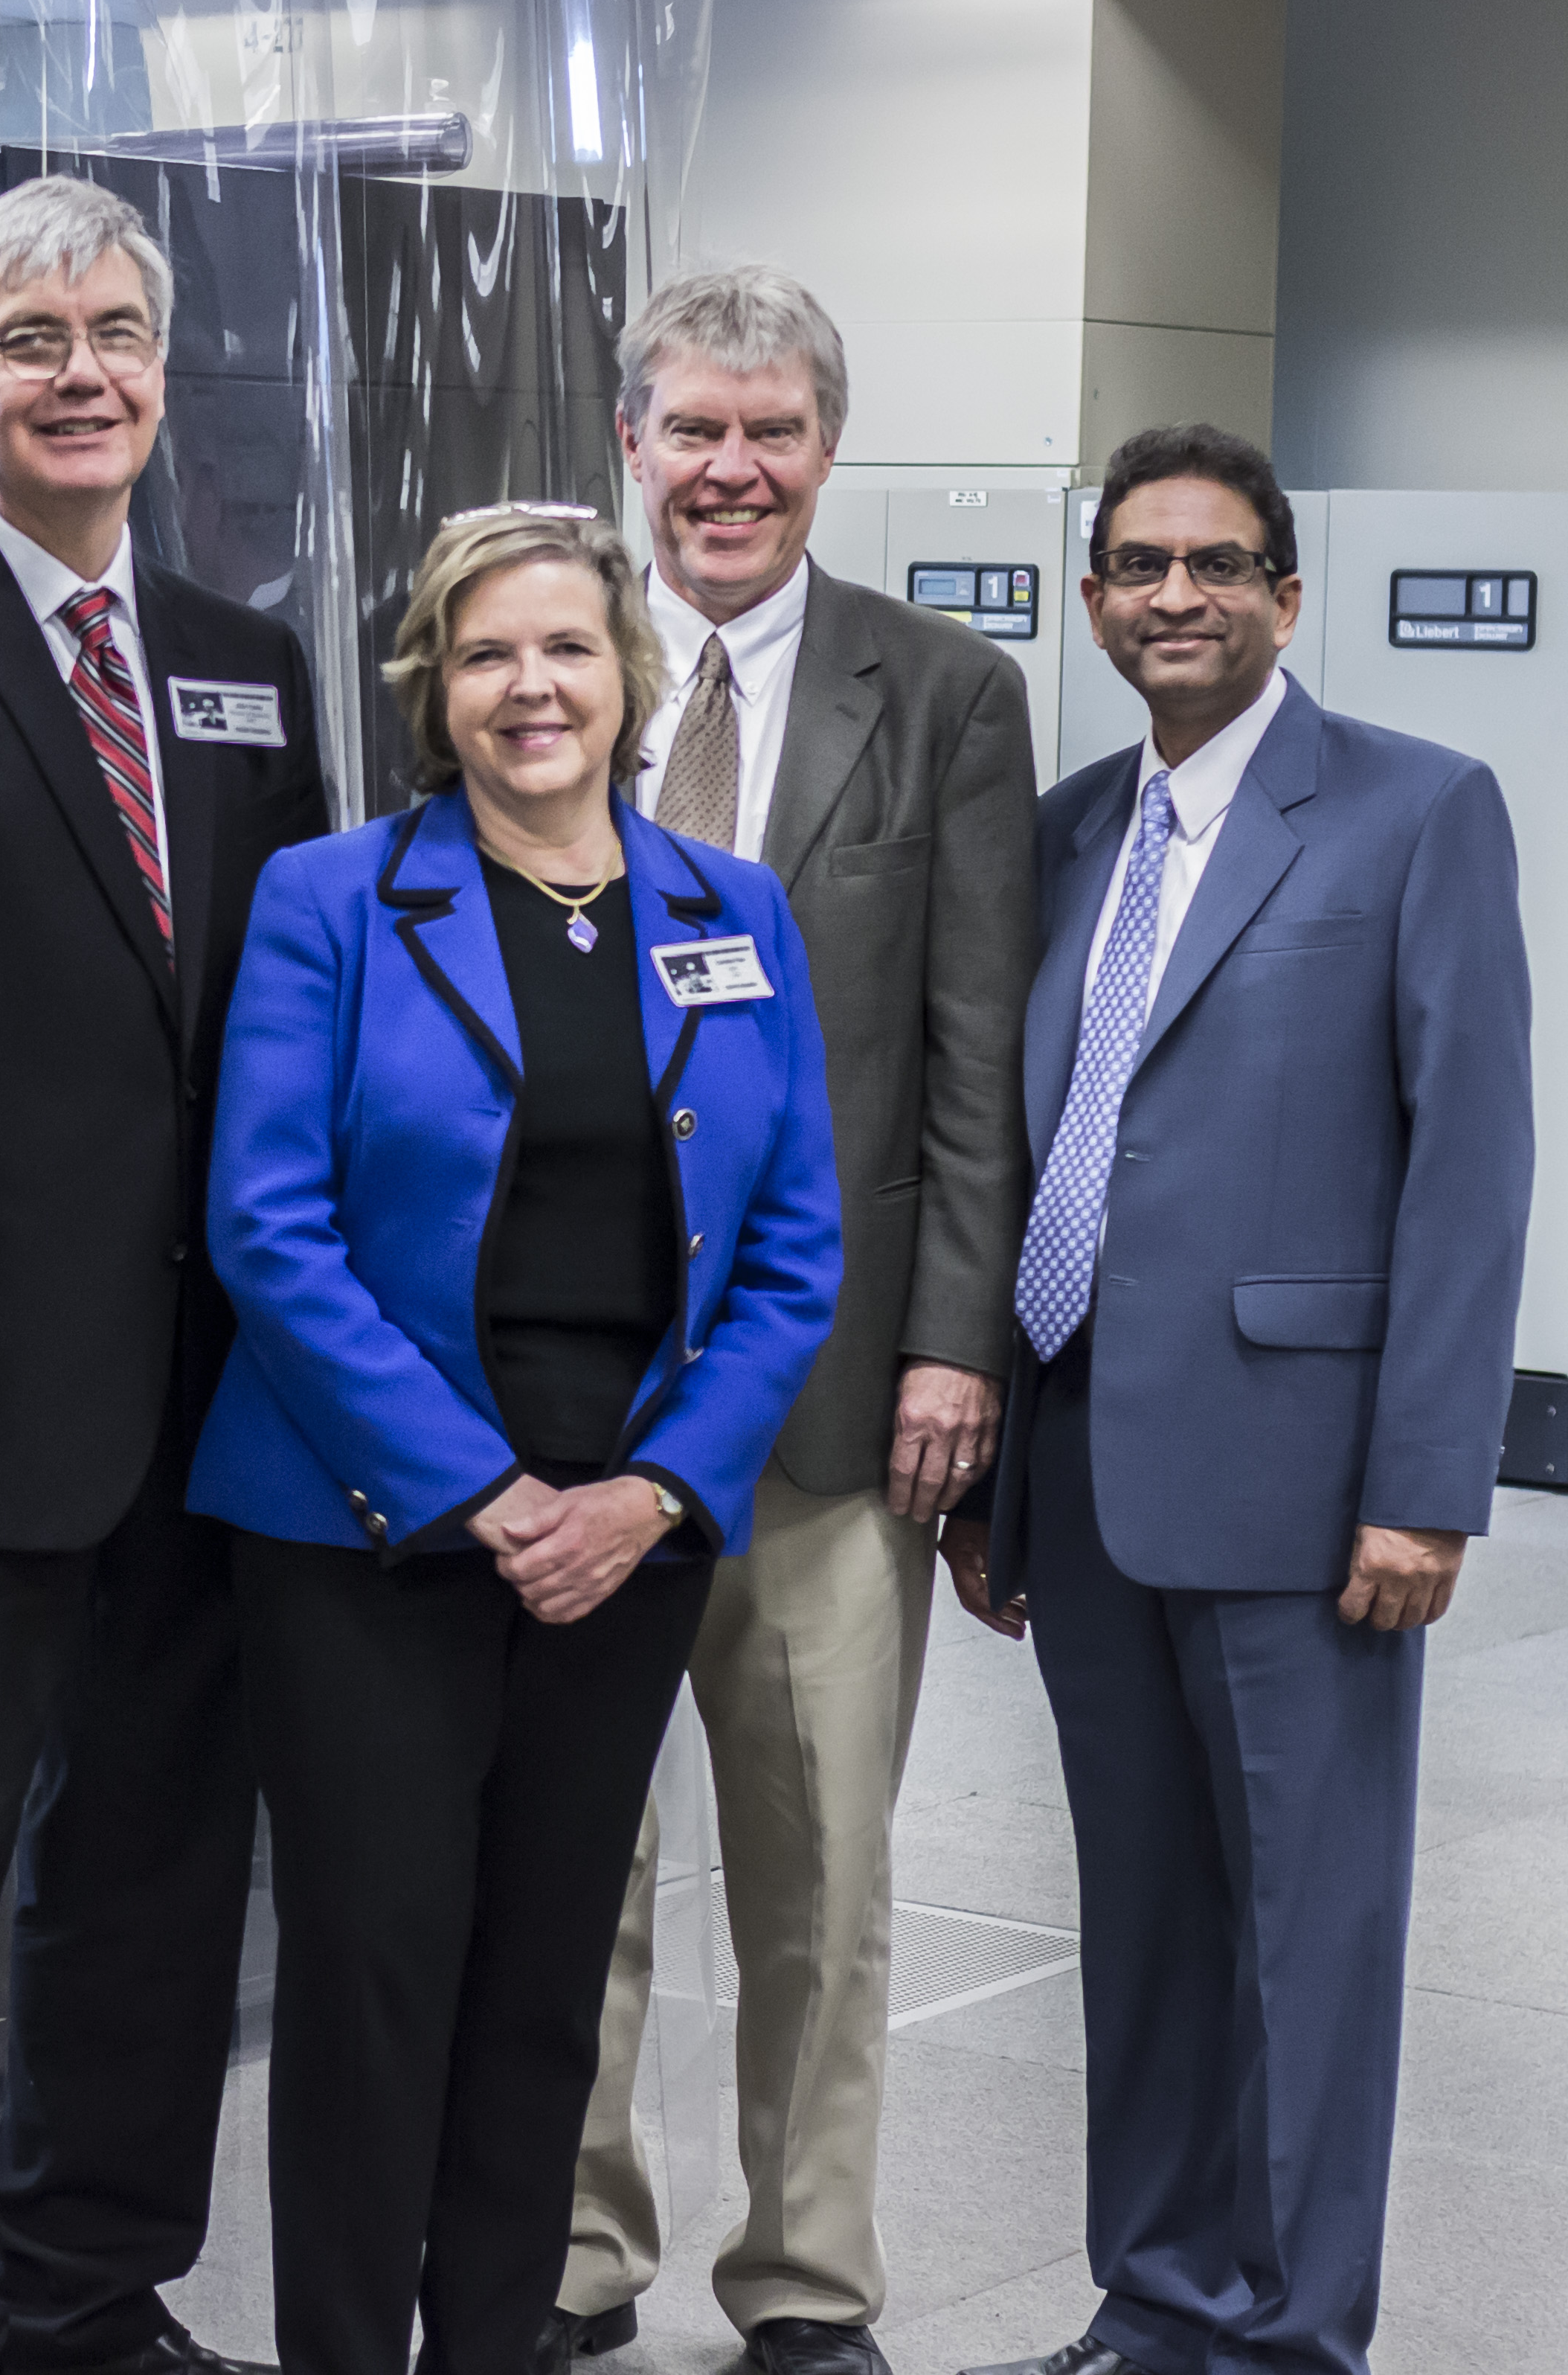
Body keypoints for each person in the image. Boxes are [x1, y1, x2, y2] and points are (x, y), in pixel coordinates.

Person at [190, 505, 842, 2375]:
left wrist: (646, 1493)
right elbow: (270, 1224)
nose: (528, 685)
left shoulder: (732, 910)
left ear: (628, 673)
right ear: (433, 689)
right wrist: (478, 1489)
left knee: (544, 1981)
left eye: (564, 647)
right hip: (362, 1524)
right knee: (374, 1979)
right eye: (484, 654)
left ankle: (487, 2343)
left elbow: (793, 1249)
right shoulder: (336, 898)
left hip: (625, 1539)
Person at [945, 424, 1530, 2375]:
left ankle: (1285, 2337)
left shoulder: (1410, 810)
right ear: (1092, 596)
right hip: (1090, 1469)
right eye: (1132, 563)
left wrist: (1424, 1481)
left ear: (1286, 593)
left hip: (1305, 1484)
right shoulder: (1053, 833)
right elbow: (1015, 1148)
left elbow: (1466, 1162)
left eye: (1210, 561)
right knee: (1143, 1925)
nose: (1169, 594)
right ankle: (1152, 2294)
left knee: (1303, 1935)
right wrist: (993, 1476)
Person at [0, 175, 327, 2375]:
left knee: (144, 1884)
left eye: (115, 333)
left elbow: (290, 1034)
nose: (84, 372)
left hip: (209, 1402)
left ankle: (82, 2282)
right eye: (31, 341)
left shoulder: (238, 662)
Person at [555, 264, 1040, 2375]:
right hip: (559, 1386)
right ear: (628, 443)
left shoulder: (935, 692)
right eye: (690, 429)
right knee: (566, 1853)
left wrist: (956, 1341)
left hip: (833, 1400)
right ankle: (565, 2247)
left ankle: (805, 2277)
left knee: (818, 1873)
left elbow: (971, 1052)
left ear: (823, 449)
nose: (726, 470)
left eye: (768, 432)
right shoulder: (538, 657)